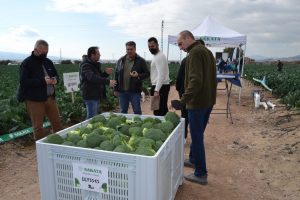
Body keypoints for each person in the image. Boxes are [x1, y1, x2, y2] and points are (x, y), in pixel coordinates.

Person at [177, 30, 217, 185]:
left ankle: (200, 173)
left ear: (188, 38)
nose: (180, 47)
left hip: (197, 103)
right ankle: (193, 159)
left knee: (197, 137)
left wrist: (183, 100)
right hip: (207, 101)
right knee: (198, 133)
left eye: (180, 43)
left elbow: (195, 80)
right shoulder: (207, 51)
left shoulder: (194, 53)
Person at [19, 39, 63, 140]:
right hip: (34, 100)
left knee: (57, 123)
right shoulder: (27, 63)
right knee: (38, 127)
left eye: (46, 52)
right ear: (35, 49)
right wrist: (43, 81)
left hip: (50, 99)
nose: (45, 54)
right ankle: (41, 150)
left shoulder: (48, 62)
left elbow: (56, 76)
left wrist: (55, 80)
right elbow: (24, 82)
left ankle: (60, 146)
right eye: (43, 52)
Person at [114, 41, 150, 114]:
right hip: (122, 91)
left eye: (131, 49)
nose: (129, 51)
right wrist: (115, 89)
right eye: (128, 49)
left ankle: (138, 125)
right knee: (123, 111)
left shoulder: (140, 61)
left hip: (135, 91)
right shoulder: (121, 60)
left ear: (135, 49)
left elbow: (147, 74)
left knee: (137, 111)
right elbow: (116, 75)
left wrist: (138, 75)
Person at [80, 46, 116, 119]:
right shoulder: (86, 65)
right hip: (90, 95)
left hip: (95, 94)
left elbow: (98, 77)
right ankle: (87, 129)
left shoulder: (94, 64)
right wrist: (108, 82)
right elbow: (92, 78)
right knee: (91, 117)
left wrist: (105, 73)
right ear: (93, 55)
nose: (100, 55)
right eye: (98, 54)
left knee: (94, 116)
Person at [148, 37, 170, 116]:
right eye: (149, 47)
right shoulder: (157, 56)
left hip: (161, 87)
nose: (151, 48)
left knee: (159, 111)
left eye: (152, 46)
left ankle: (164, 127)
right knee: (160, 109)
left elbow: (161, 75)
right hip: (160, 86)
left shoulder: (159, 56)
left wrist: (157, 90)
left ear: (157, 45)